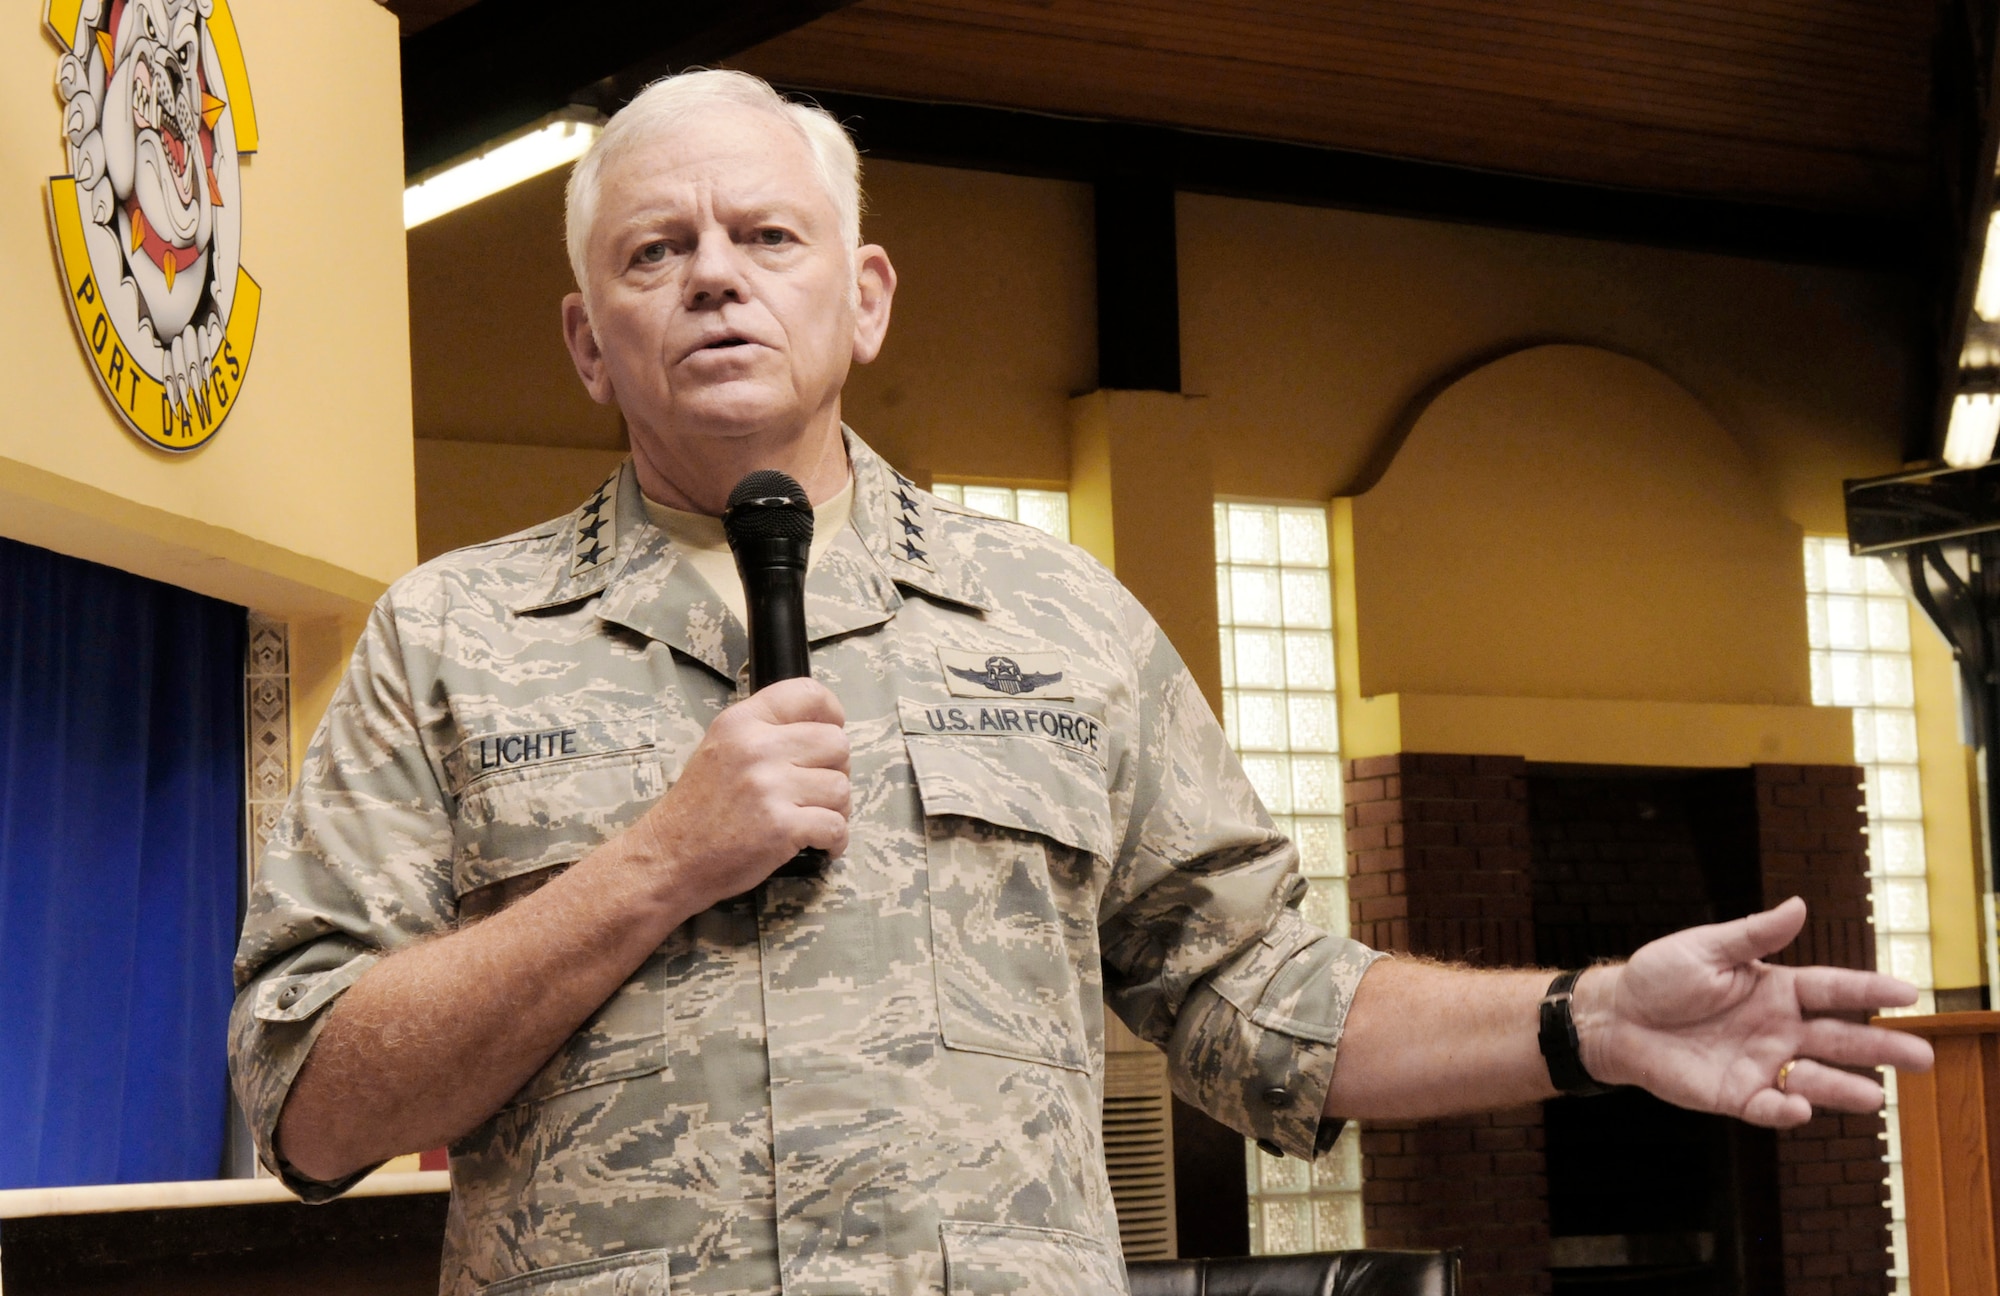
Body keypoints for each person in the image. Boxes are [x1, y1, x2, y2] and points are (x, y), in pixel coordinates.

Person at [229, 70, 1935, 1296]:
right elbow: (312, 1104)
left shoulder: (1059, 621)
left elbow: (1258, 989)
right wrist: (655, 864)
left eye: (767, 234)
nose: (717, 275)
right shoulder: (450, 637)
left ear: (866, 295)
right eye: (655, 250)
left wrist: (1584, 1020)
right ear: (588, 338)